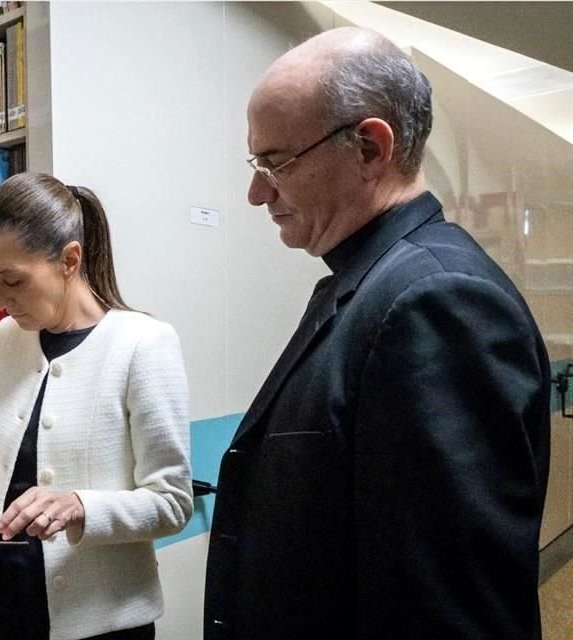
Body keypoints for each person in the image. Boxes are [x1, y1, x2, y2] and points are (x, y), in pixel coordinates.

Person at [204, 27, 551, 639]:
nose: (257, 193)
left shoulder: (437, 302)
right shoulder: (370, 282)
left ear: (368, 148)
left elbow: (450, 612)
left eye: (275, 162)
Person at [0, 172, 193, 640]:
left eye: (12, 281)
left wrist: (79, 506)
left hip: (104, 624)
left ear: (70, 260)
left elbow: (171, 502)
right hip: (9, 607)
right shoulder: (5, 341)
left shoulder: (143, 344)